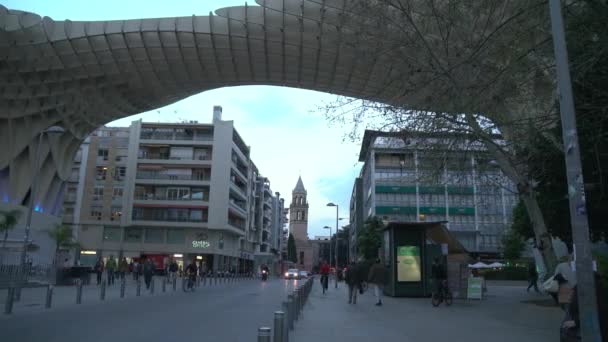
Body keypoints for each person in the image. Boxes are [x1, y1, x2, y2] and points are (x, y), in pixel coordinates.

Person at [561, 273, 607, 341]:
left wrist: (576, 322)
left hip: (587, 331)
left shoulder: (592, 288)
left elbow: (597, 310)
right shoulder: (586, 286)